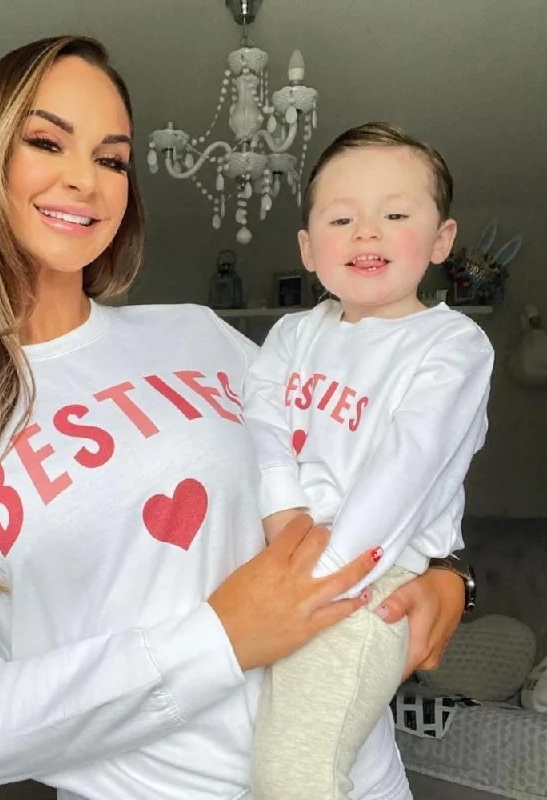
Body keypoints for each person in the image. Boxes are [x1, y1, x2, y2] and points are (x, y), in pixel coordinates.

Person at [0, 37, 470, 800]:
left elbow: (364, 456)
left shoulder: (202, 336)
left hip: (358, 778)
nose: (85, 179)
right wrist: (217, 641)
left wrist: (448, 577)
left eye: (112, 159)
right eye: (47, 142)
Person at [244, 122, 493, 800]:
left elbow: (406, 467)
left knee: (294, 776)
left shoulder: (451, 344)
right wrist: (282, 509)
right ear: (308, 247)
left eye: (395, 214)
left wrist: (322, 576)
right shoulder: (296, 332)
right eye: (342, 217)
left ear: (441, 239)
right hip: (292, 564)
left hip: (366, 583)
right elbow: (261, 414)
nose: (367, 232)